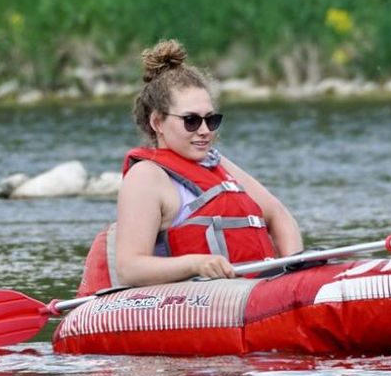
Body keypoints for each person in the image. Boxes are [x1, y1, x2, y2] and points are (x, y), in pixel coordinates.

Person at [83, 39, 303, 291]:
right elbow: (130, 269)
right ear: (157, 122)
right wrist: (196, 264)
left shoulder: (217, 164)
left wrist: (293, 273)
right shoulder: (146, 177)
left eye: (211, 120)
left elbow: (280, 217)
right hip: (199, 303)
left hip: (261, 293)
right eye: (191, 121)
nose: (204, 131)